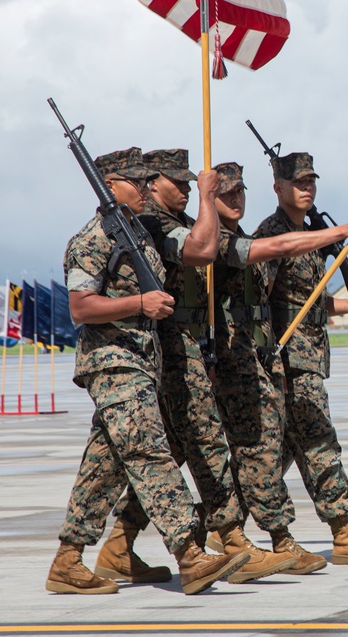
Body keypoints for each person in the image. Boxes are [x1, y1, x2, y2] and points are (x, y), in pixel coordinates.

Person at [50, 147, 247, 595]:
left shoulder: (138, 234)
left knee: (106, 466)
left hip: (142, 363)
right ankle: (189, 554)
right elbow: (81, 307)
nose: (144, 189)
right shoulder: (91, 239)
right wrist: (140, 303)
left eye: (146, 182)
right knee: (149, 453)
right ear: (110, 184)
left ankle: (67, 560)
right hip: (113, 362)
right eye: (135, 182)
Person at [99, 148, 291, 586]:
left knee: (181, 450)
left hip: (188, 352)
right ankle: (231, 538)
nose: (184, 190)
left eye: (190, 184)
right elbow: (204, 251)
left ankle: (119, 544)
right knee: (200, 445)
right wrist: (207, 198)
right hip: (164, 355)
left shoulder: (170, 223)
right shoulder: (153, 225)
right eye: (177, 183)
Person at [252, 152, 348, 565]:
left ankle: (220, 523)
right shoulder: (274, 234)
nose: (307, 188)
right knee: (318, 443)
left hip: (309, 355)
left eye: (311, 181)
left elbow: (308, 303)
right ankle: (343, 533)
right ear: (278, 188)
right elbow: (260, 304)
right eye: (298, 182)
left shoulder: (312, 231)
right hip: (285, 361)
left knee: (275, 456)